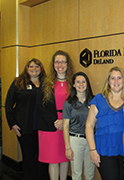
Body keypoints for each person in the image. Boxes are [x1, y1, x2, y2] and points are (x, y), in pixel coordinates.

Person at [5, 58, 49, 180]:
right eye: (31, 66)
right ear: (27, 68)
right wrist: (12, 124)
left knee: (43, 157)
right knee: (28, 157)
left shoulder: (46, 84)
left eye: (37, 66)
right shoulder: (18, 82)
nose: (34, 69)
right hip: (24, 128)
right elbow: (9, 104)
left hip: (43, 127)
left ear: (41, 69)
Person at [85, 66, 124, 180]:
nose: (116, 81)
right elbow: (89, 126)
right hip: (104, 150)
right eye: (112, 78)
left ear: (123, 80)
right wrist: (92, 150)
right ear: (108, 81)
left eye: (119, 78)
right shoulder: (99, 99)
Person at [37, 50, 74, 180]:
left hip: (67, 125)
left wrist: (64, 122)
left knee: (65, 158)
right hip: (50, 127)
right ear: (53, 64)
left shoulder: (73, 83)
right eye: (57, 62)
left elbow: (76, 105)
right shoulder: (46, 82)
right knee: (52, 160)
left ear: (67, 64)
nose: (60, 65)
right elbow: (41, 106)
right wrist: (55, 121)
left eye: (63, 62)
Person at [62, 72, 96, 180]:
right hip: (75, 141)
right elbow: (65, 127)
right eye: (78, 82)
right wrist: (67, 148)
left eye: (83, 81)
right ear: (73, 85)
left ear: (87, 84)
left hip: (91, 141)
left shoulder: (94, 101)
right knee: (76, 174)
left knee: (90, 174)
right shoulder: (68, 103)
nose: (81, 84)